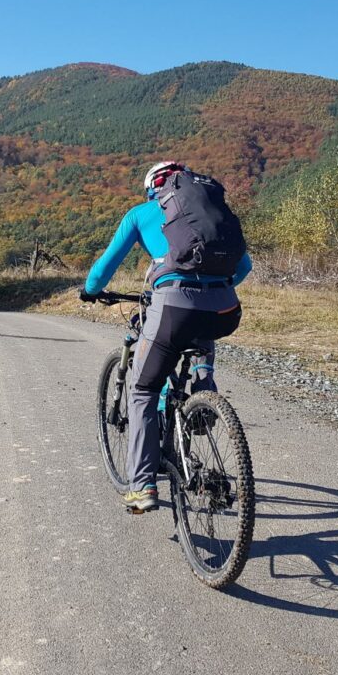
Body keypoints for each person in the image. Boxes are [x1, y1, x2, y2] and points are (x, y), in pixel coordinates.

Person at [79, 160, 252, 513]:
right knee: (199, 338)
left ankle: (141, 486)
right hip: (224, 310)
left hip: (173, 306)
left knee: (144, 388)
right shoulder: (209, 212)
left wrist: (90, 290)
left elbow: (103, 269)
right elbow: (244, 266)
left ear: (152, 189)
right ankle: (204, 396)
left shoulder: (141, 213)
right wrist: (210, 286)